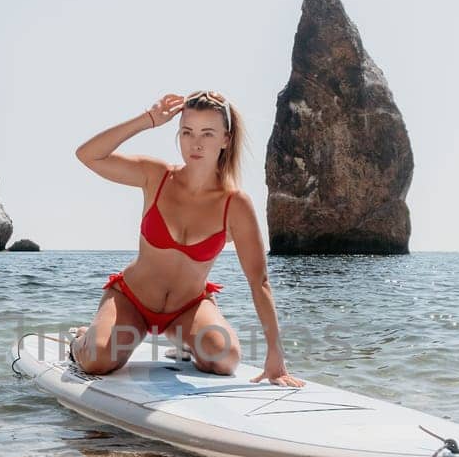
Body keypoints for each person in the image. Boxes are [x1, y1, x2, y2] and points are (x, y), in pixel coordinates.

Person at [71, 91, 303, 387]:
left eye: (208, 134)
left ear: (225, 140)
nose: (195, 143)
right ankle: (80, 339)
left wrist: (275, 355)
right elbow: (88, 155)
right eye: (187, 132)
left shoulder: (235, 205)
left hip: (188, 308)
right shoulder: (155, 176)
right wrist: (148, 120)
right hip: (132, 301)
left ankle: (186, 344)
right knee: (98, 361)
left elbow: (259, 282)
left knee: (225, 359)